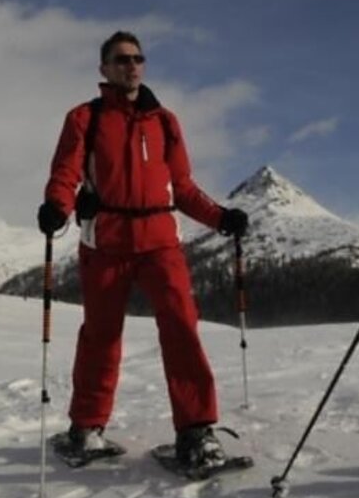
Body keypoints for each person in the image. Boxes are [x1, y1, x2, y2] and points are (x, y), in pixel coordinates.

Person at [38, 30, 250, 470]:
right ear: (104, 69)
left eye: (137, 58)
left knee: (181, 328)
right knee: (101, 336)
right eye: (120, 59)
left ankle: (195, 432)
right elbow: (66, 173)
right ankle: (86, 429)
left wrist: (220, 217)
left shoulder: (165, 121)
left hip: (160, 242)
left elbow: (184, 187)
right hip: (106, 242)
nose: (130, 66)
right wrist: (58, 207)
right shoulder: (85, 117)